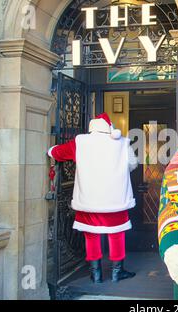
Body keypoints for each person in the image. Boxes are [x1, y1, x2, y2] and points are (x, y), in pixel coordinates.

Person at [48, 113, 138, 283]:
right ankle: (117, 273)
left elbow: (58, 153)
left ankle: (95, 274)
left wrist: (50, 150)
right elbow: (133, 164)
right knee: (117, 235)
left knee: (91, 236)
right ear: (109, 127)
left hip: (88, 201)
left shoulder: (81, 142)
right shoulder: (121, 143)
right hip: (115, 201)